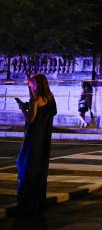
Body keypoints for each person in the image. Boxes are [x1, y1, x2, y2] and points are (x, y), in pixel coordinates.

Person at [16, 74, 57, 214]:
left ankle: (25, 203)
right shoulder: (50, 98)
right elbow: (47, 113)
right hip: (44, 139)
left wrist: (22, 108)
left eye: (31, 84)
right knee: (39, 168)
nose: (30, 86)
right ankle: (38, 202)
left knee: (24, 164)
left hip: (32, 137)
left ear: (37, 85)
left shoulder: (35, 99)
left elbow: (31, 118)